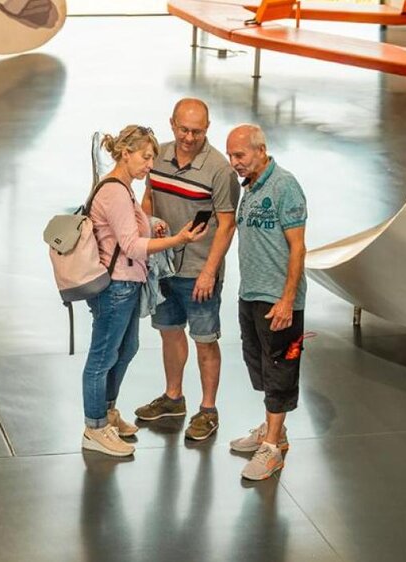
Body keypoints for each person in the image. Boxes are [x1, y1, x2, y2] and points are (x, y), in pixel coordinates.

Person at [81, 125, 209, 457]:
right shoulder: (114, 191)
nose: (149, 165)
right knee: (103, 357)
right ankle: (94, 427)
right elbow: (132, 246)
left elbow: (130, 232)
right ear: (126, 153)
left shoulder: (125, 189)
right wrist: (178, 239)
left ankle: (107, 413)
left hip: (127, 284)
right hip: (116, 286)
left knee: (126, 349)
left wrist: (153, 225)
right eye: (145, 156)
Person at [133, 98, 239, 442]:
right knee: (169, 331)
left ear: (207, 129)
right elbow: (149, 197)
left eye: (197, 131)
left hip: (198, 271)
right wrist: (148, 225)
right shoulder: (157, 156)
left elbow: (227, 224)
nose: (189, 137)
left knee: (205, 340)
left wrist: (210, 271)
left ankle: (208, 410)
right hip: (163, 267)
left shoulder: (220, 170)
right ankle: (173, 398)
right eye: (183, 129)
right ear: (172, 124)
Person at [224, 124, 307, 481]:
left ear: (261, 150)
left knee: (279, 370)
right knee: (258, 366)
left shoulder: (284, 185)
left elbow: (298, 247)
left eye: (239, 155)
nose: (234, 163)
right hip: (251, 294)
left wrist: (288, 299)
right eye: (230, 156)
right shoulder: (251, 186)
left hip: (278, 300)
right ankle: (274, 429)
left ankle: (272, 447)